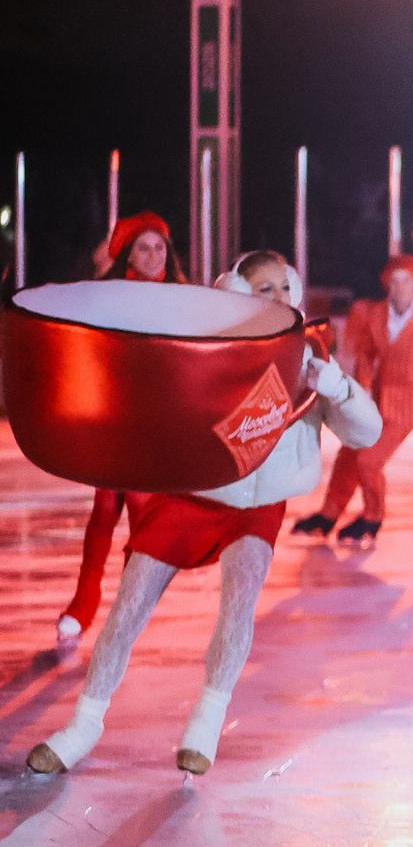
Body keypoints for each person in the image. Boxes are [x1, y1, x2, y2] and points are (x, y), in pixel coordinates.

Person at [27, 252, 381, 776]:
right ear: (236, 292)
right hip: (189, 497)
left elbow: (366, 433)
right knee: (128, 610)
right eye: (265, 290)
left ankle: (208, 716)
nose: (280, 298)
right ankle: (83, 724)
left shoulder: (310, 358)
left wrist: (338, 388)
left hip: (257, 508)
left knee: (240, 605)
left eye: (286, 287)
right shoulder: (209, 346)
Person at [55, 212, 190, 647]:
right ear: (128, 253)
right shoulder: (110, 293)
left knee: (137, 508)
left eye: (159, 247)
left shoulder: (183, 296)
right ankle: (86, 604)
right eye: (143, 247)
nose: (153, 255)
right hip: (116, 413)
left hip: (159, 419)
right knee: (106, 509)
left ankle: (107, 607)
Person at [294, 253, 413, 545]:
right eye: (394, 281)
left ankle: (372, 516)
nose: (399, 287)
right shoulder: (376, 315)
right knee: (350, 451)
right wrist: (364, 387)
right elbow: (366, 354)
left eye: (405, 281)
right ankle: (328, 515)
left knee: (369, 461)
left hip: (412, 402)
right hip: (380, 397)